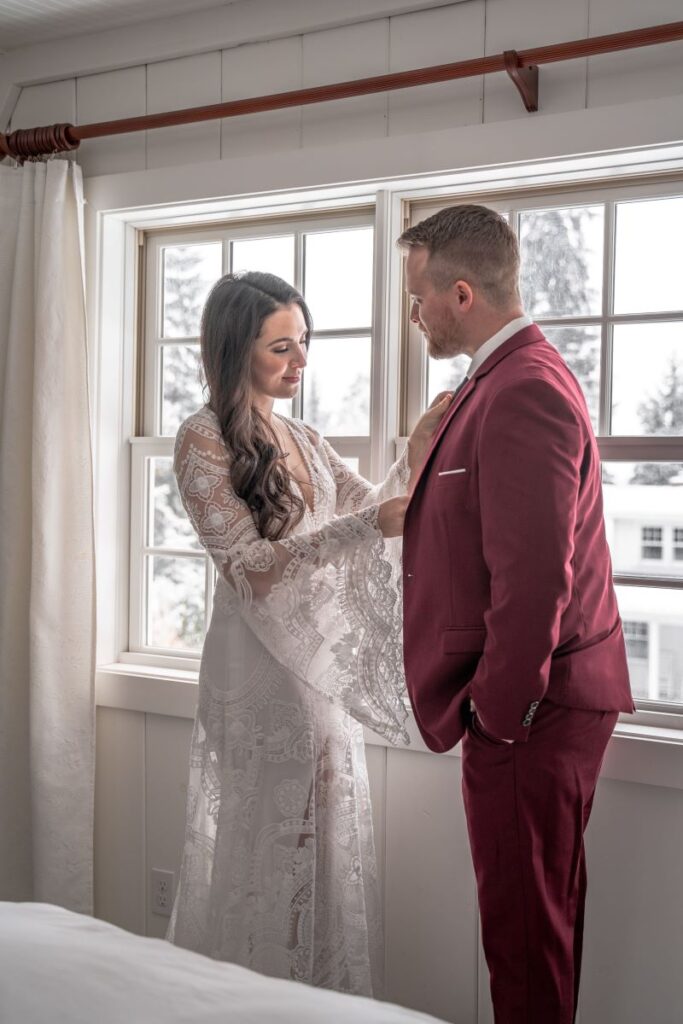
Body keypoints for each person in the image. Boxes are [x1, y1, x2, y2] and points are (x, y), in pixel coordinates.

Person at [168, 270, 449, 997]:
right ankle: (249, 997)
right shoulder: (201, 440)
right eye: (281, 347)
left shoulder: (303, 436)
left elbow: (376, 510)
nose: (300, 362)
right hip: (255, 664)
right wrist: (362, 526)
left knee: (322, 841)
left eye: (304, 343)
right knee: (268, 844)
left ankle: (310, 1001)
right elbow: (251, 569)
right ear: (234, 351)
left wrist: (415, 450)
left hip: (313, 663)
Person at [397, 205, 634, 1024]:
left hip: (531, 713)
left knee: (524, 940)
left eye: (417, 295)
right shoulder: (503, 378)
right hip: (538, 705)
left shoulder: (524, 388)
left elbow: (535, 582)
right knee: (530, 930)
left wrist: (498, 714)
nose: (412, 312)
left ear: (460, 293)